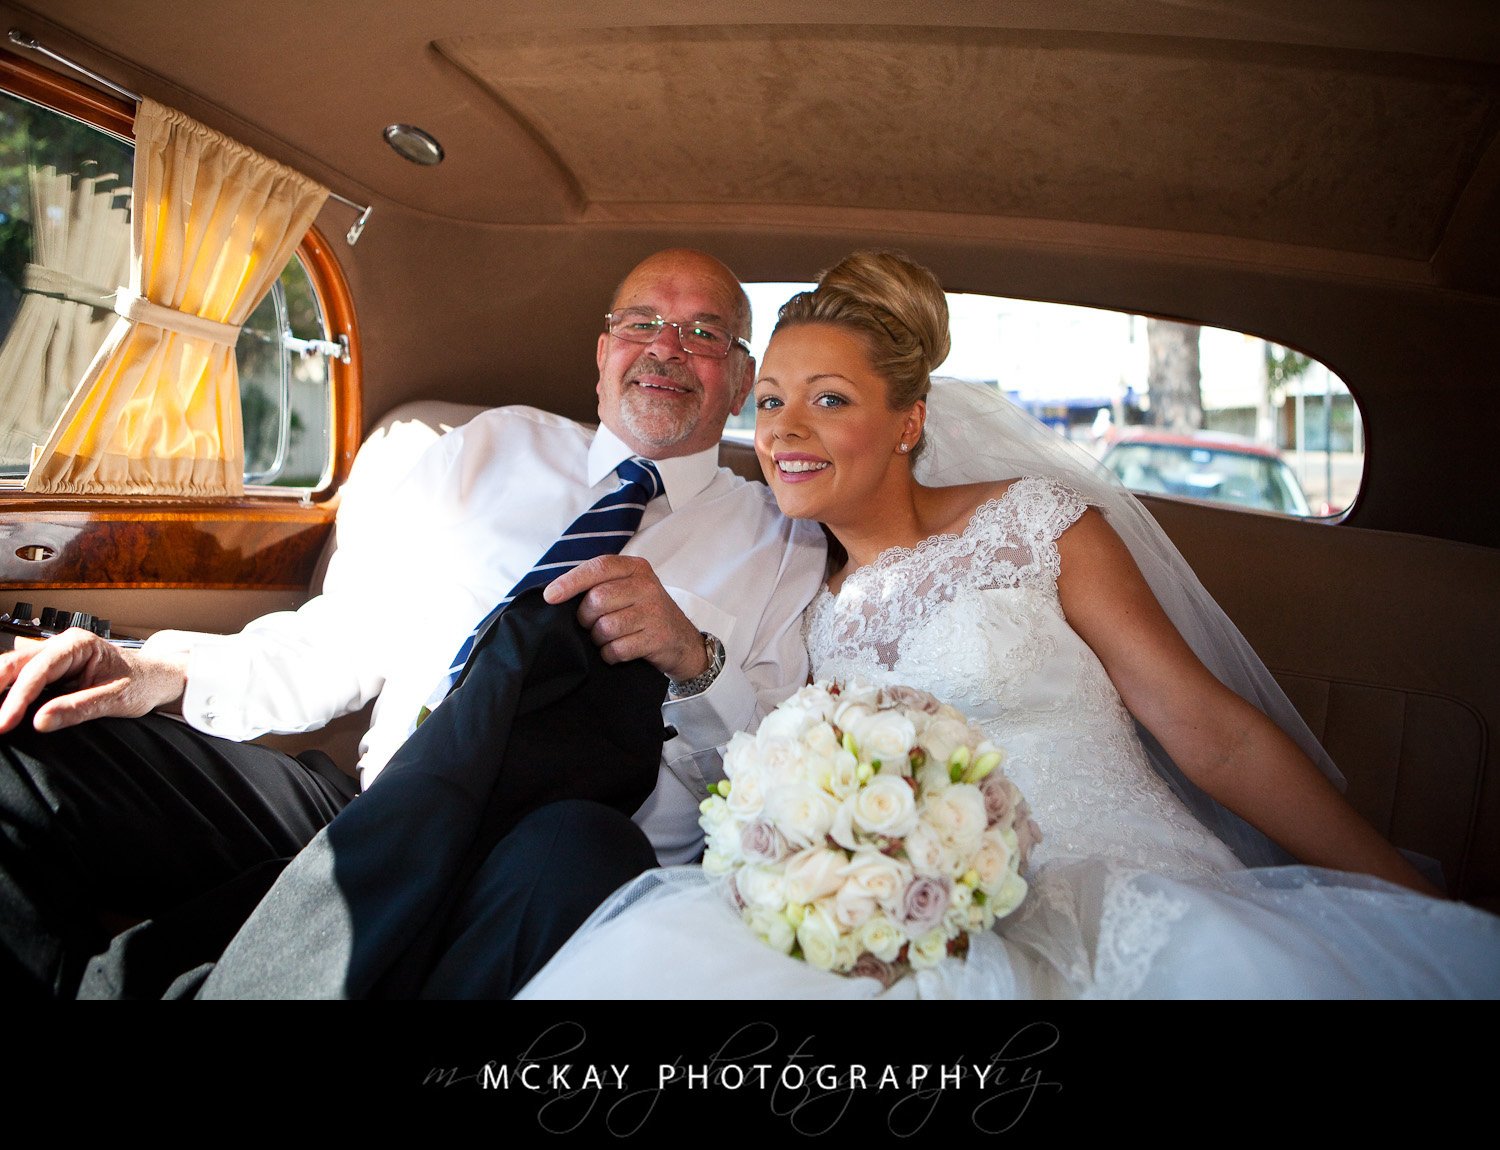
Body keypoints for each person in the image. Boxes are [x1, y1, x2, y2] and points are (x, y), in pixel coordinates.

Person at [517, 250, 1500, 999]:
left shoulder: (1037, 526)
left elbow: (1218, 735)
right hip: (919, 933)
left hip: (1134, 896)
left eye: (829, 399)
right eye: (769, 400)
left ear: (907, 420)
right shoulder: (799, 607)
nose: (785, 429)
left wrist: (1406, 905)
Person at [0, 247, 827, 998]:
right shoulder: (490, 445)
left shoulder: (781, 540)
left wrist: (695, 660)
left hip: (532, 864)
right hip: (365, 806)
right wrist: (160, 670)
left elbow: (772, 782)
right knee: (26, 740)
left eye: (703, 332)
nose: (666, 346)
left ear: (742, 374)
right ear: (602, 354)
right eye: (641, 322)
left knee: (582, 848)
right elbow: (343, 641)